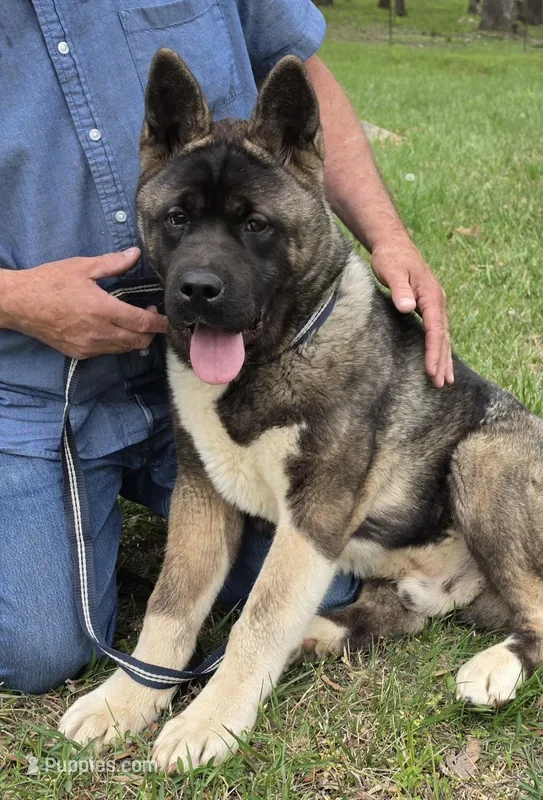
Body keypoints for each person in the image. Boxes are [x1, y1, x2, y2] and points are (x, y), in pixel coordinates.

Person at [0, 0, 453, 694]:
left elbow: (300, 69)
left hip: (230, 371)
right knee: (36, 650)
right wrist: (16, 300)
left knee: (328, 586)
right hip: (34, 385)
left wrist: (388, 236)